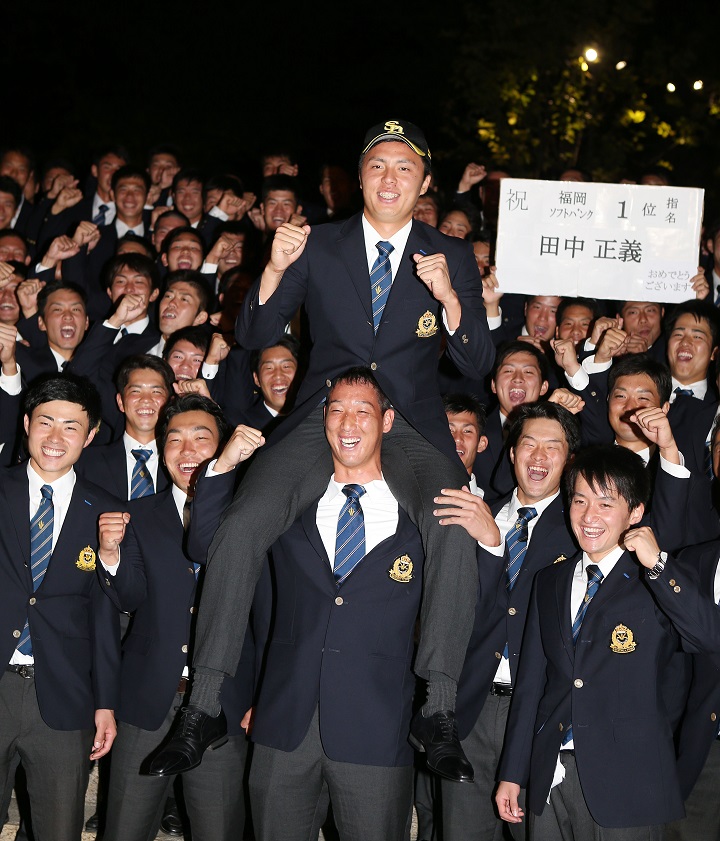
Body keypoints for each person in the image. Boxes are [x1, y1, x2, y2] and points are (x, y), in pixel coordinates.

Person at [150, 118, 494, 783]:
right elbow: (252, 331)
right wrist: (275, 266)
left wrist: (449, 296)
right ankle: (205, 703)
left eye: (404, 168)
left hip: (411, 423)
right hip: (321, 413)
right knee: (245, 520)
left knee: (455, 519)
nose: (389, 178)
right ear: (354, 178)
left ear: (424, 182)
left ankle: (440, 707)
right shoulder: (318, 243)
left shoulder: (449, 254)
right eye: (376, 166)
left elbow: (477, 363)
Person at [183, 369, 424, 840]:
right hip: (282, 726)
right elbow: (209, 545)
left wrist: (489, 541)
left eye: (363, 411)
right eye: (337, 410)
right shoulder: (286, 501)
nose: (348, 422)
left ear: (388, 421)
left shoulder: (421, 513)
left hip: (376, 732)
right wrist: (224, 466)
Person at [495, 445, 720, 838]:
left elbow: (708, 636)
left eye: (605, 503)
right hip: (549, 776)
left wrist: (658, 564)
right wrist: (513, 772)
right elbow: (531, 685)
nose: (589, 516)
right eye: (579, 501)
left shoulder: (657, 580)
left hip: (629, 783)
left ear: (635, 512)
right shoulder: (550, 580)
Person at [95, 394, 262, 841]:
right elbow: (128, 598)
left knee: (219, 829)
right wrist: (109, 556)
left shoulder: (249, 516)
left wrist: (260, 693)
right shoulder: (139, 515)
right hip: (146, 700)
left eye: (200, 438)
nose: (187, 452)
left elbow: (266, 614)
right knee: (125, 829)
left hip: (224, 702)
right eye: (175, 440)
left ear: (224, 445)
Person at [439, 402, 581, 841]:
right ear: (511, 451)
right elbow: (452, 614)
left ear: (569, 458)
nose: (538, 458)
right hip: (472, 710)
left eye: (552, 447)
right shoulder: (474, 517)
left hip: (540, 715)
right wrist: (492, 547)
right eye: (528, 445)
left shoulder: (583, 527)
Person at [0, 373, 122, 841]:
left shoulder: (107, 512)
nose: (55, 437)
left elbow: (107, 615)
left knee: (58, 829)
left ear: (90, 435)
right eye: (46, 421)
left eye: (71, 426)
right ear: (26, 422)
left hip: (65, 695)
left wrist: (106, 703)